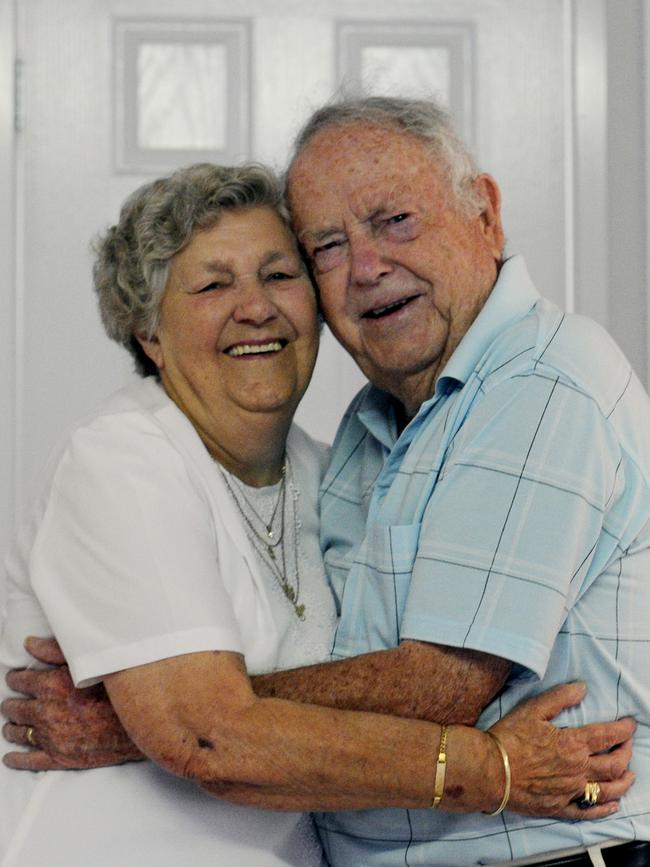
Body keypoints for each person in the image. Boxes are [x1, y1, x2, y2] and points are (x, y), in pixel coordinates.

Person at [0, 113, 642, 865]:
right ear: (149, 334)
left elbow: (432, 684)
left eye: (280, 273)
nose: (257, 306)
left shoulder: (514, 391)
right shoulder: (125, 459)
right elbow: (214, 733)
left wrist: (144, 726)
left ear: (486, 215)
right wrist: (183, 725)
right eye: (212, 284)